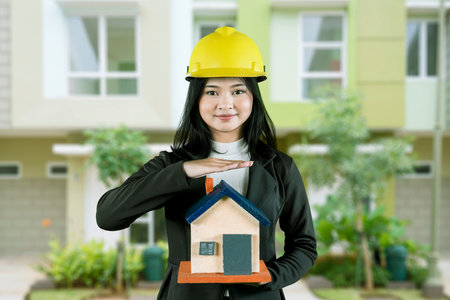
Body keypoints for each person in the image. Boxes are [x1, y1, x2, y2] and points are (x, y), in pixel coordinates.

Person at [96, 26, 317, 300]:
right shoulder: (172, 164)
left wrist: (272, 275)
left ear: (253, 98)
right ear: (196, 99)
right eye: (212, 92)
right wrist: (184, 171)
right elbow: (108, 216)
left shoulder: (280, 167)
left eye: (238, 91)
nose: (225, 104)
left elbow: (304, 244)